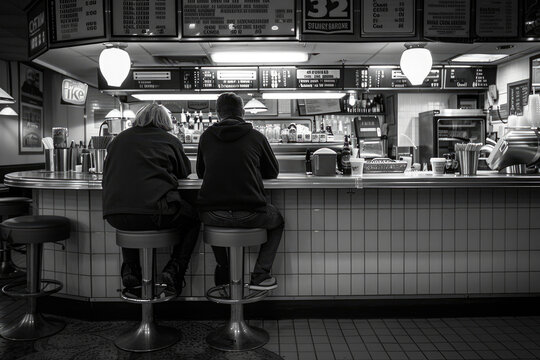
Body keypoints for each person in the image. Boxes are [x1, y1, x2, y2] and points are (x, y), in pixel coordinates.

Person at [102, 103, 200, 294]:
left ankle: (131, 269)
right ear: (165, 121)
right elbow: (185, 172)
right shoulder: (169, 140)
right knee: (193, 218)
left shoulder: (116, 141)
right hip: (154, 214)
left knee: (130, 209)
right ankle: (174, 269)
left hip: (115, 216)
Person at [196, 93, 283, 290]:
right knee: (277, 221)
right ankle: (260, 274)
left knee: (212, 214)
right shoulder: (256, 136)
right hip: (251, 213)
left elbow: (201, 173)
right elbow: (273, 172)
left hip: (212, 214)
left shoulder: (206, 136)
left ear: (218, 114)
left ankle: (224, 268)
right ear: (242, 113)